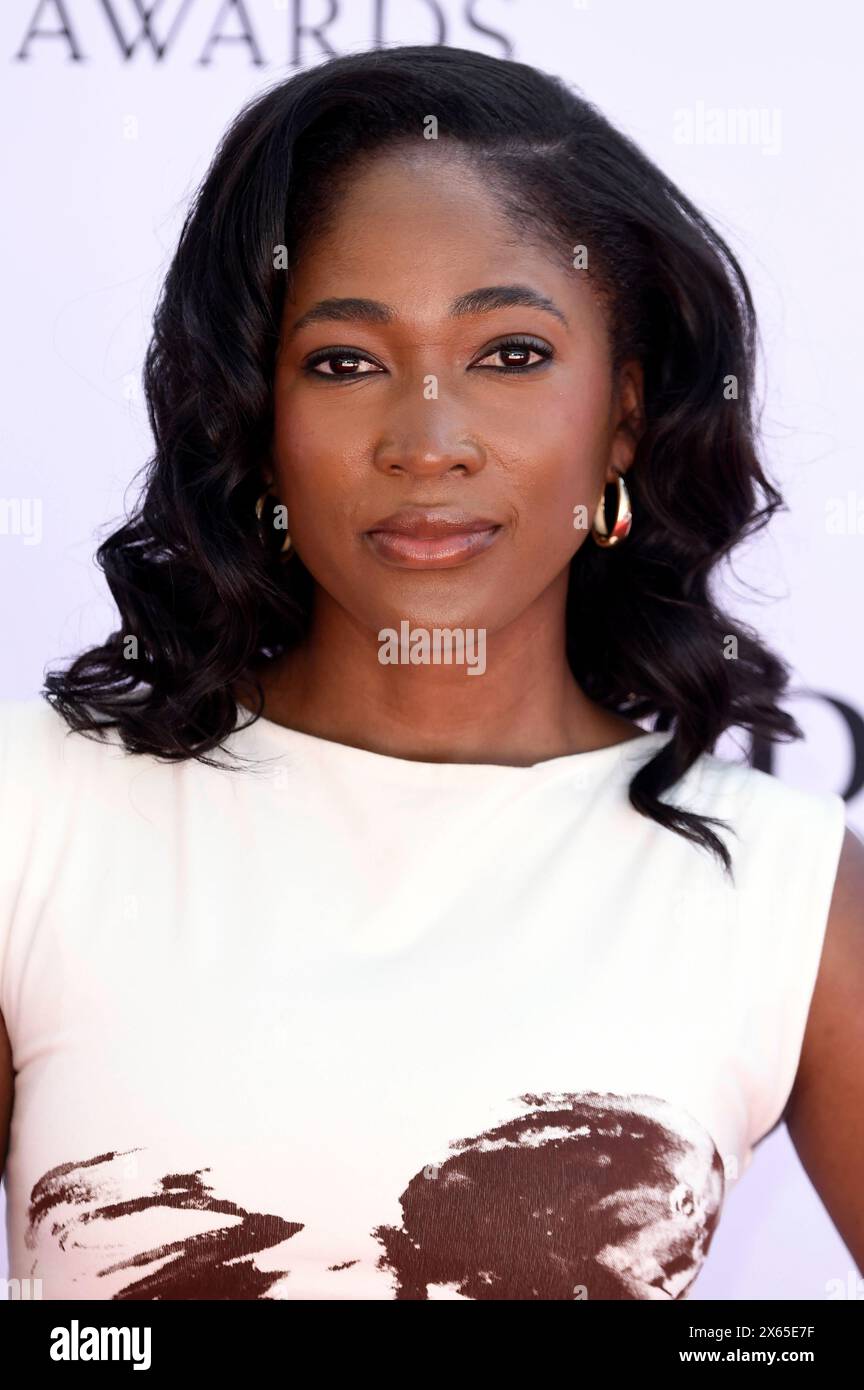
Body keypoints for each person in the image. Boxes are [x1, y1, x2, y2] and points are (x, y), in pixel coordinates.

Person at [1, 44, 862, 1301]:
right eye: (345, 361)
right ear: (258, 412)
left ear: (622, 410)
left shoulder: (781, 894)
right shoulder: (35, 813)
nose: (428, 441)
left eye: (509, 353)